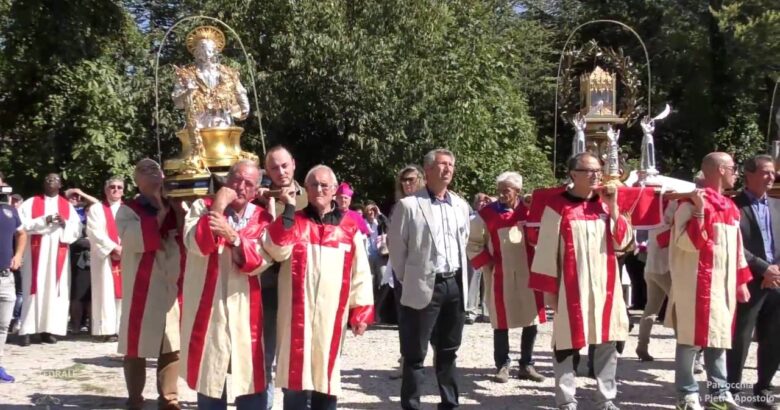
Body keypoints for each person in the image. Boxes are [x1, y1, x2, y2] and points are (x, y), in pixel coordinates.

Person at [264, 164, 374, 409]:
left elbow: (361, 273)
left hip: (331, 317)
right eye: (313, 184)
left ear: (334, 189)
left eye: (324, 185)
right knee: (295, 382)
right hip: (295, 317)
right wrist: (289, 211)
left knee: (326, 378)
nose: (319, 189)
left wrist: (361, 312)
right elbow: (275, 250)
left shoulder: (349, 228)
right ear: (306, 189)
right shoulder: (294, 221)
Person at [529, 152, 631, 410]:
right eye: (589, 170)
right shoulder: (557, 205)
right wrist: (549, 292)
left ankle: (605, 398)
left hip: (606, 286)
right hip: (570, 287)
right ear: (573, 174)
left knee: (608, 340)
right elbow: (546, 251)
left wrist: (615, 207)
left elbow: (623, 243)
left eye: (598, 170)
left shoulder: (606, 205)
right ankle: (566, 399)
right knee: (565, 342)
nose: (596, 174)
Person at [181, 160, 273, 409]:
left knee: (249, 373)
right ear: (226, 180)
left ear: (255, 191)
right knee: (210, 371)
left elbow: (261, 261)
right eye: (237, 180)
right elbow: (196, 245)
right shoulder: (202, 207)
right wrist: (219, 206)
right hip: (208, 304)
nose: (241, 187)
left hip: (246, 306)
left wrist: (232, 237)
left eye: (249, 184)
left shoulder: (263, 218)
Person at [388, 148, 471, 410]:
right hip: (424, 285)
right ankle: (411, 405)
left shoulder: (460, 204)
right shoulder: (409, 206)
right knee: (415, 353)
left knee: (448, 350)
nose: (448, 169)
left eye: (451, 164)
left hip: (454, 284)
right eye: (442, 164)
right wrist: (409, 279)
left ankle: (450, 403)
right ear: (428, 171)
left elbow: (465, 241)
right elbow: (397, 249)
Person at [668, 152, 751, 410]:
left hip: (721, 282)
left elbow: (737, 248)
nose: (736, 173)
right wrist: (701, 212)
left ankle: (719, 393)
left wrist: (741, 280)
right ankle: (687, 394)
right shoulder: (689, 204)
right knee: (690, 338)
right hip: (694, 281)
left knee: (719, 336)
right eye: (733, 168)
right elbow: (686, 243)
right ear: (721, 170)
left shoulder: (730, 207)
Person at [116, 159, 184, 410]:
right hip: (141, 285)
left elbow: (187, 233)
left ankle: (169, 398)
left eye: (155, 168)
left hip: (170, 281)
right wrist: (161, 213)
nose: (152, 172)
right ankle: (134, 397)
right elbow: (132, 239)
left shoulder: (175, 202)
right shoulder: (128, 209)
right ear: (136, 180)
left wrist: (176, 211)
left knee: (171, 343)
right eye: (144, 170)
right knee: (136, 346)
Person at [467, 172, 546, 384]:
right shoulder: (487, 214)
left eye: (507, 190)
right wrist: (487, 261)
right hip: (499, 274)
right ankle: (502, 364)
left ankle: (527, 364)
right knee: (500, 321)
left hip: (529, 273)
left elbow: (545, 232)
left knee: (531, 318)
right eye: (499, 189)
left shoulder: (529, 210)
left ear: (517, 191)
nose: (502, 194)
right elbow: (473, 243)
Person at [727, 154, 780, 408]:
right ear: (749, 175)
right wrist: (763, 268)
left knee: (773, 337)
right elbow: (735, 246)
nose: (771, 177)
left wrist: (776, 271)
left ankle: (764, 389)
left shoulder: (777, 206)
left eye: (773, 173)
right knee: (740, 338)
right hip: (747, 280)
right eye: (765, 172)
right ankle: (733, 390)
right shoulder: (733, 206)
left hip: (776, 283)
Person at [259, 145, 308, 409]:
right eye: (274, 168)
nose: (280, 172)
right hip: (266, 287)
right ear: (267, 171)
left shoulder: (310, 198)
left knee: (294, 356)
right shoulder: (258, 200)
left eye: (284, 165)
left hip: (298, 289)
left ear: (294, 164)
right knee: (265, 358)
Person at [17, 173, 81, 346]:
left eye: (55, 180)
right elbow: (22, 226)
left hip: (58, 252)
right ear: (43, 184)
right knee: (33, 288)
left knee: (54, 291)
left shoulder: (67, 206)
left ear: (60, 185)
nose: (51, 181)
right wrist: (43, 220)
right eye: (48, 179)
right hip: (35, 252)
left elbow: (77, 229)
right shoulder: (31, 203)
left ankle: (48, 330)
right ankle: (27, 330)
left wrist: (64, 223)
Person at [636, 199, 677, 362]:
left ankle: (642, 345)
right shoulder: (673, 206)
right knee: (678, 310)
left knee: (651, 309)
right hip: (665, 267)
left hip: (651, 266)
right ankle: (688, 354)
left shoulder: (653, 210)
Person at [86, 177, 125, 342]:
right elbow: (94, 232)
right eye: (112, 187)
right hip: (104, 258)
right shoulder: (96, 209)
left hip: (126, 256)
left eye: (119, 187)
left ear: (124, 190)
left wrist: (125, 249)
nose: (115, 190)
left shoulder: (130, 209)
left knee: (125, 293)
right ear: (105, 189)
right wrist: (114, 248)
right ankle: (107, 329)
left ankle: (122, 328)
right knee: (105, 291)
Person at [0, 172, 25, 382]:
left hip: (6, 277)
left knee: (2, 325)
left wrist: (18, 254)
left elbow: (22, 233)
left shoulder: (9, 210)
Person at [465, 193, 492, 324]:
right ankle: (471, 311)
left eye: (485, 201)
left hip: (490, 252)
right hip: (475, 251)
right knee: (472, 281)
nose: (483, 203)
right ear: (475, 204)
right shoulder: (470, 218)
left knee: (488, 282)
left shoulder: (493, 216)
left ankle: (487, 312)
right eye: (480, 201)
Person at [67, 190, 92, 334]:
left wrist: (80, 192)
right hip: (78, 260)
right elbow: (72, 239)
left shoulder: (92, 216)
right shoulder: (73, 218)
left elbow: (96, 203)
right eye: (73, 197)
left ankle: (89, 324)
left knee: (91, 296)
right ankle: (75, 325)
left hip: (94, 259)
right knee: (77, 294)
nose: (76, 199)